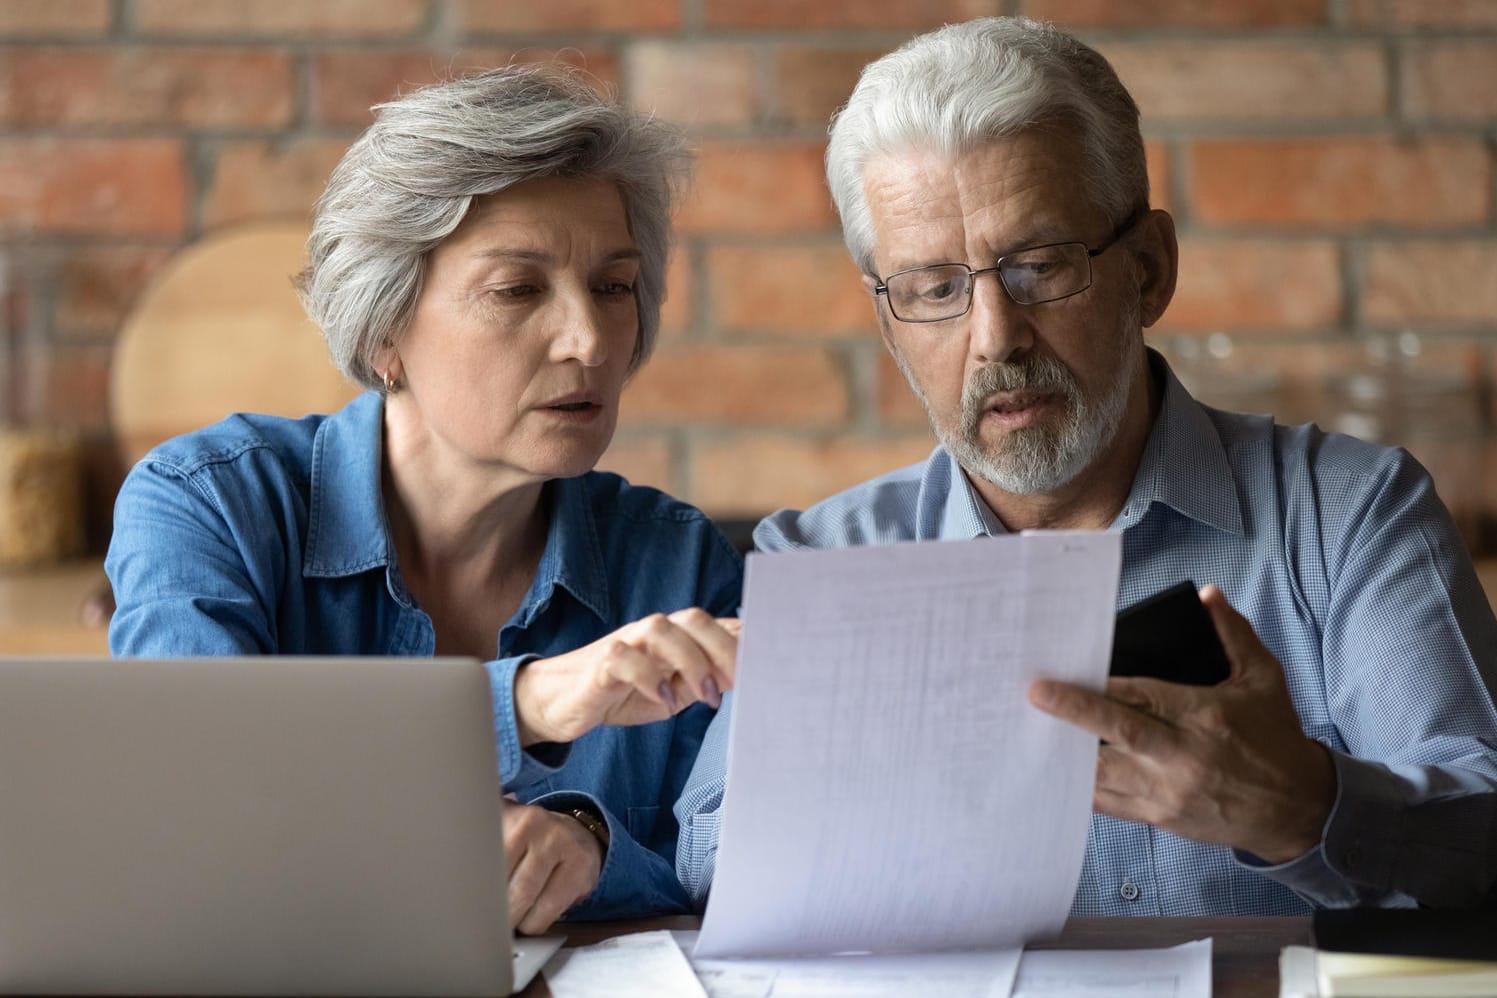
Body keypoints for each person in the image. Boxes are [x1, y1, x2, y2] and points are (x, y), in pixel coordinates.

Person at [675, 16, 1497, 915]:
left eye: (1038, 265)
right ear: (889, 327)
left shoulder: (1348, 514)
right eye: (936, 289)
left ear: (1148, 269)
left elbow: (1482, 833)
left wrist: (1303, 807)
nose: (994, 338)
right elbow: (707, 853)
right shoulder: (823, 562)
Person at [106, 65, 742, 932]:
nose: (589, 339)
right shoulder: (209, 501)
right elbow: (188, 780)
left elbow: (728, 864)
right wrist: (525, 703)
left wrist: (590, 846)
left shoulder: (675, 562)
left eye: (612, 286)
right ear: (383, 330)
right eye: (517, 289)